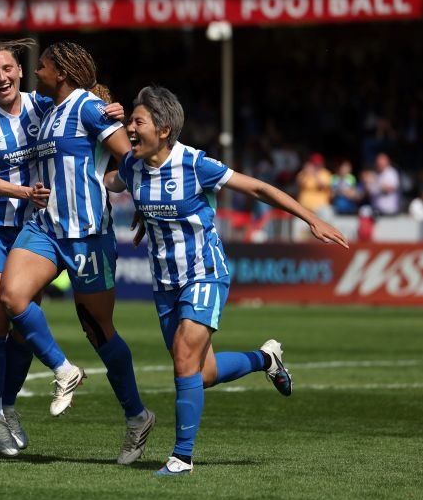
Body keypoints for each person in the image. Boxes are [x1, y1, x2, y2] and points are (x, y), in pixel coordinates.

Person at [104, 86, 348, 476]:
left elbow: (257, 188)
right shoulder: (133, 166)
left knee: (184, 360)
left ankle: (182, 458)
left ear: (164, 129)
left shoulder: (194, 164)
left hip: (204, 272)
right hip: (165, 282)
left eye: (137, 121)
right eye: (130, 121)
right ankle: (265, 358)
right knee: (203, 374)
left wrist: (311, 219)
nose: (129, 128)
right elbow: (113, 181)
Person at [0, 38, 126, 458]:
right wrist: (25, 190)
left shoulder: (41, 105)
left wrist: (115, 110)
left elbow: (83, 109)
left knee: (24, 321)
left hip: (34, 225)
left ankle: (9, 406)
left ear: (18, 69)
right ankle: (0, 410)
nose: (2, 77)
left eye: (8, 69)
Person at [0, 41, 155, 466]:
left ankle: (137, 417)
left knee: (98, 329)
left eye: (42, 67)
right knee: (12, 298)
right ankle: (65, 370)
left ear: (62, 72)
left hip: (88, 236)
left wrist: (144, 203)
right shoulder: (47, 112)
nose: (37, 74)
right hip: (45, 228)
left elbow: (130, 157)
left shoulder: (88, 108)